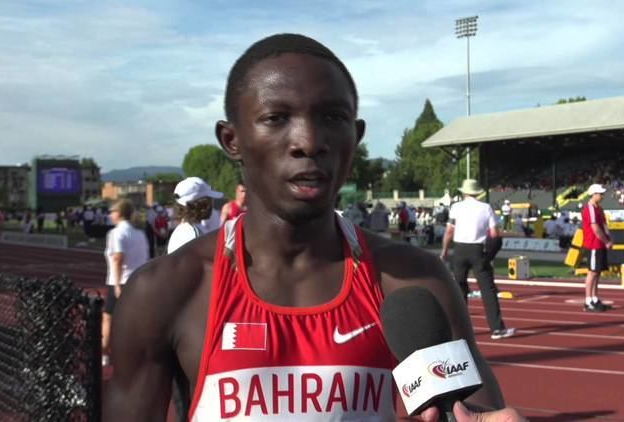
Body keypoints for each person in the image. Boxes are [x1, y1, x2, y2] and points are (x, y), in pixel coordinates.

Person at [104, 33, 522, 421]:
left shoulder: (414, 282)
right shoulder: (165, 291)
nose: (308, 139)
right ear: (232, 140)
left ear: (355, 137)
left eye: (332, 117)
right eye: (276, 117)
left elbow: (476, 414)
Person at [441, 179, 516, 340]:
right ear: (477, 192)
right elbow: (495, 234)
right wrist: (490, 255)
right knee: (488, 290)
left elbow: (449, 231)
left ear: (463, 192)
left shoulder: (456, 207)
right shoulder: (485, 208)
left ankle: (458, 331)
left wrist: (445, 251)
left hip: (459, 250)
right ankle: (497, 328)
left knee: (459, 290)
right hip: (477, 249)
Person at [102, 199, 149, 367]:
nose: (110, 215)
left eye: (112, 212)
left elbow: (118, 258)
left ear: (119, 213)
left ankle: (105, 352)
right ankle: (137, 353)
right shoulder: (140, 234)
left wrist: (116, 284)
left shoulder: (116, 234)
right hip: (138, 280)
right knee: (135, 319)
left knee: (108, 318)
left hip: (120, 281)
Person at [167, 177, 223, 254]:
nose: (211, 204)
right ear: (201, 204)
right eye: (209, 200)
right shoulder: (193, 234)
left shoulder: (189, 230)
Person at [581, 184, 613, 312]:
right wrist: (606, 241)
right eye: (600, 193)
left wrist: (609, 239)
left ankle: (594, 298)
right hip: (594, 244)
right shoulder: (590, 209)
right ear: (593, 194)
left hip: (599, 244)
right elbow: (595, 228)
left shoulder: (599, 209)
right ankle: (588, 301)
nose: (602, 196)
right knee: (592, 272)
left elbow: (604, 226)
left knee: (597, 272)